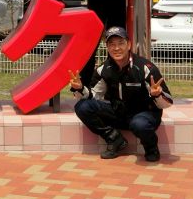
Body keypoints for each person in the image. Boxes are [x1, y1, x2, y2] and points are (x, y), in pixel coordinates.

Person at [72, 26, 172, 162]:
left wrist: (156, 94)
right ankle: (114, 139)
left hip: (144, 115)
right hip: (119, 113)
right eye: (112, 44)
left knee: (139, 124)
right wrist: (79, 88)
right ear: (107, 47)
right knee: (82, 107)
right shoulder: (103, 69)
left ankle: (151, 148)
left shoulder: (144, 67)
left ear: (129, 45)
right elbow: (94, 96)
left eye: (120, 43)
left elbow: (168, 102)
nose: (116, 48)